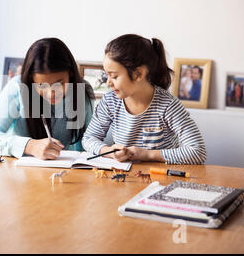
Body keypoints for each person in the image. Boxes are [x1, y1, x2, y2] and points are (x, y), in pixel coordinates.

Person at [82, 34, 206, 165]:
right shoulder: (110, 101)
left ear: (138, 74)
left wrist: (147, 154)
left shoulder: (168, 105)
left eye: (114, 76)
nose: (108, 83)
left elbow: (198, 151)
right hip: (123, 177)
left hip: (160, 177)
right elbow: (89, 138)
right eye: (106, 75)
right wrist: (108, 150)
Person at [0, 37, 95, 160]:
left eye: (59, 84)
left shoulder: (83, 90)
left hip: (64, 173)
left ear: (70, 74)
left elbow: (89, 142)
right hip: (19, 174)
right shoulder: (17, 87)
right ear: (31, 80)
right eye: (41, 86)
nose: (51, 94)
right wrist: (30, 146)